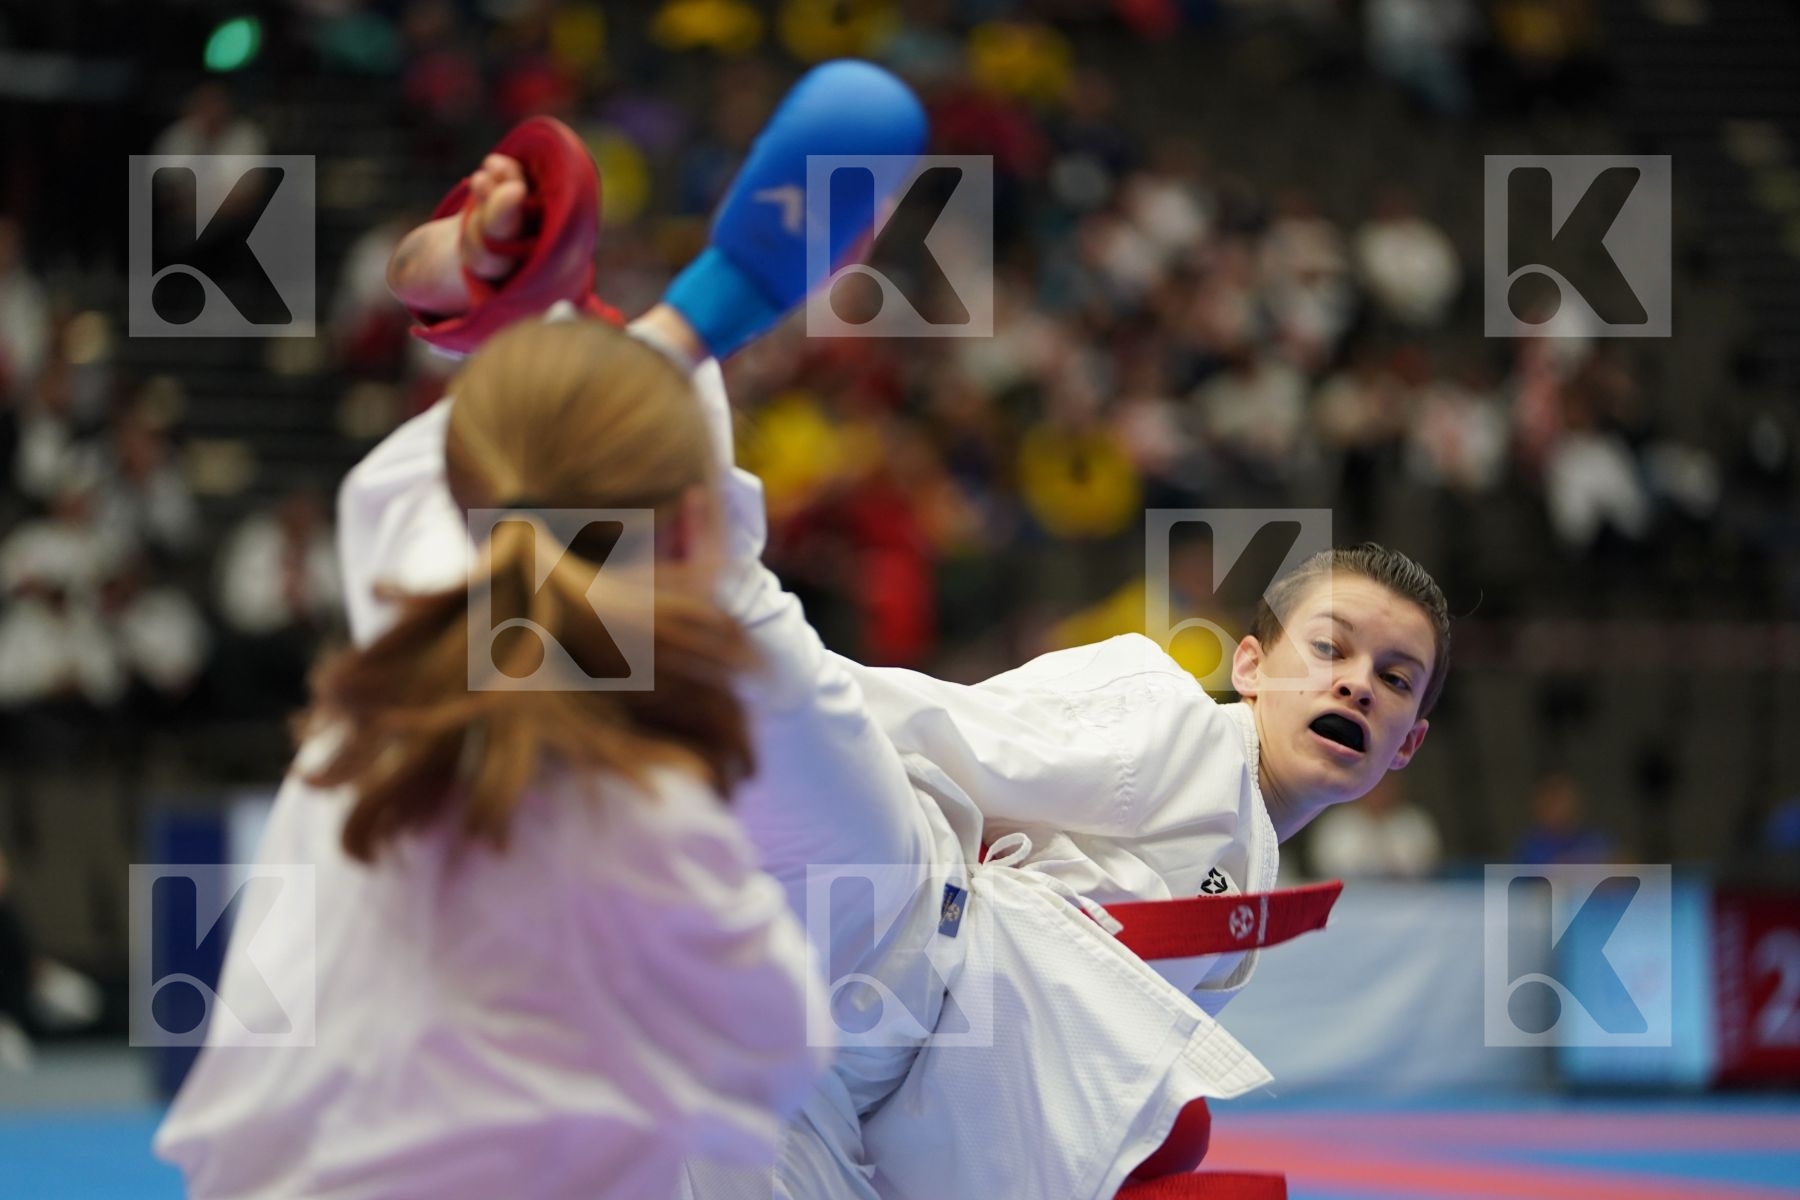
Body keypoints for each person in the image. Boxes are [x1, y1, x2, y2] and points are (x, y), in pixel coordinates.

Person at [361, 66, 1451, 1200]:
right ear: (1251, 664)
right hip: (886, 901)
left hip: (819, 1079)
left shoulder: (1245, 900)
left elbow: (1036, 1087)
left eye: (1395, 676)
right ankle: (574, 309)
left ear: (1412, 740)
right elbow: (955, 734)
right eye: (1331, 648)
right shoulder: (1170, 722)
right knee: (718, 622)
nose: (1360, 684)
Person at [152, 307, 832, 1198]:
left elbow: (446, 474)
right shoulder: (644, 815)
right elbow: (781, 1054)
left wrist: (663, 308)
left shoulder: (369, 721)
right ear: (697, 531)